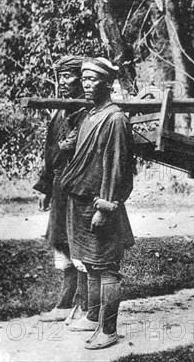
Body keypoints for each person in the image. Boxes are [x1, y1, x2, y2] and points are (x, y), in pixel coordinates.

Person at [60, 57, 136, 350]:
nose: (87, 84)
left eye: (93, 80)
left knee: (107, 268)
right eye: (84, 79)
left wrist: (105, 208)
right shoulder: (89, 115)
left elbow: (116, 169)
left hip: (100, 205)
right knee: (90, 265)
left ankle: (109, 329)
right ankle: (93, 317)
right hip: (80, 202)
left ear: (108, 84)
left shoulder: (115, 119)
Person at [34, 56, 89, 324]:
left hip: (79, 186)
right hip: (59, 185)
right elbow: (50, 152)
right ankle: (66, 303)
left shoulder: (89, 114)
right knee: (61, 242)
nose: (64, 82)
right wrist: (46, 188)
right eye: (61, 76)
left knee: (78, 243)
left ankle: (82, 304)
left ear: (82, 79)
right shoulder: (59, 112)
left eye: (70, 76)